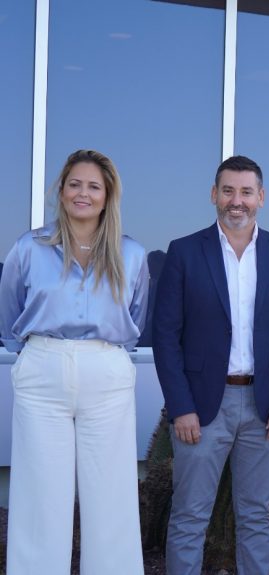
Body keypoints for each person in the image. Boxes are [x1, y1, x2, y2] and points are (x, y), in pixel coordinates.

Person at [153, 155, 269, 575]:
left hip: (266, 408)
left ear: (261, 197)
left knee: (256, 517)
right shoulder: (185, 252)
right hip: (203, 408)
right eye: (228, 191)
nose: (236, 201)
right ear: (214, 195)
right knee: (190, 516)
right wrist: (181, 406)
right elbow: (166, 337)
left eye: (246, 192)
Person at [0, 149, 149, 573]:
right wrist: (32, 356)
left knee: (111, 496)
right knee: (39, 497)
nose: (83, 193)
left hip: (106, 372)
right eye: (75, 184)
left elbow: (134, 316)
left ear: (107, 196)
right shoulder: (29, 247)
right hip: (41, 372)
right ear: (62, 191)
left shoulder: (132, 254)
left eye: (93, 186)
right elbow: (9, 312)